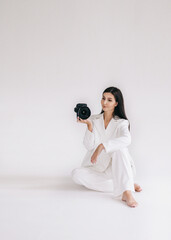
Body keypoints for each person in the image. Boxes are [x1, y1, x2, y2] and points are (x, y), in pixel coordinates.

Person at [71, 86, 142, 208]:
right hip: (98, 168)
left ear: (116, 103)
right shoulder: (93, 119)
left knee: (120, 148)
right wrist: (89, 125)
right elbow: (88, 146)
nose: (104, 102)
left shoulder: (122, 122)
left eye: (109, 100)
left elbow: (127, 139)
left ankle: (127, 192)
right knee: (76, 174)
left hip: (118, 167)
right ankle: (127, 184)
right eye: (103, 98)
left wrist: (102, 146)